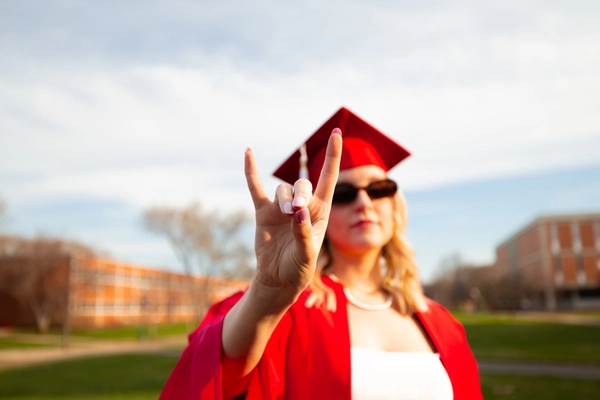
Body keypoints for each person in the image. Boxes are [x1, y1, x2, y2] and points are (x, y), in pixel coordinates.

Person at [160, 107, 483, 400]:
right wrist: (268, 292)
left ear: (394, 205)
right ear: (320, 213)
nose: (364, 203)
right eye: (343, 194)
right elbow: (212, 369)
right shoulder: (288, 310)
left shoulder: (440, 322)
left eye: (378, 189)